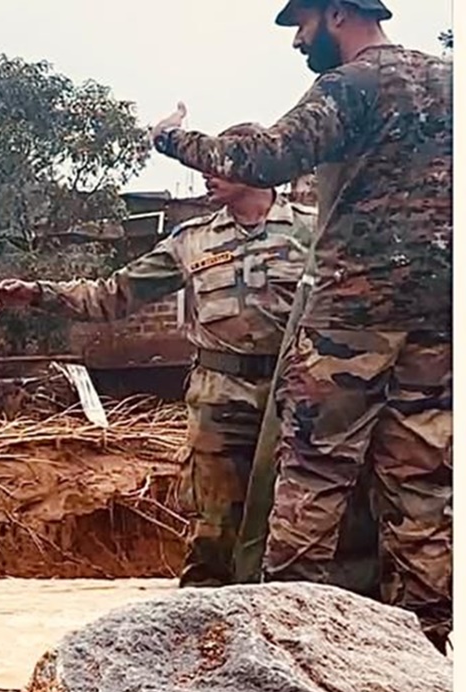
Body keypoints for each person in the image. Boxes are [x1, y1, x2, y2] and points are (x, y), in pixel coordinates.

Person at [149, 0, 452, 652]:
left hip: (350, 323)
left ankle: (291, 650)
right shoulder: (451, 81)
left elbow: (262, 157)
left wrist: (170, 136)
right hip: (437, 320)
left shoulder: (353, 84)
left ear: (338, 13)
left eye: (302, 26)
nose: (297, 43)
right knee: (421, 489)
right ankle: (423, 654)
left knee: (313, 480)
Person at [0, 127, 378, 589]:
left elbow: (365, 305)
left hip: (297, 396)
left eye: (218, 164)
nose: (205, 174)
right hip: (220, 400)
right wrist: (38, 294)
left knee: (307, 521)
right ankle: (203, 632)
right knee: (213, 528)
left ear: (254, 167)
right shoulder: (190, 241)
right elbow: (115, 295)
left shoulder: (316, 230)